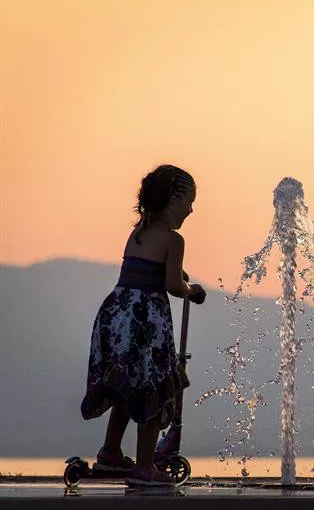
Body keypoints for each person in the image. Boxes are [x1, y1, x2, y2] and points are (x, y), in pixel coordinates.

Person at [80, 164, 206, 487]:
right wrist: (190, 289)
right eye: (188, 201)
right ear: (172, 199)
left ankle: (110, 453)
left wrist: (177, 275)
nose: (191, 209)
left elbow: (146, 268)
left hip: (117, 315)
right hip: (147, 321)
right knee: (153, 388)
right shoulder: (174, 240)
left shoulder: (137, 233)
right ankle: (145, 466)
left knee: (126, 386)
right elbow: (172, 284)